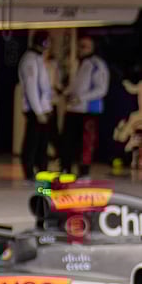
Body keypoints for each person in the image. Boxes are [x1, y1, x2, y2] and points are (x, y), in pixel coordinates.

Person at [62, 35, 110, 178]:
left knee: (86, 143)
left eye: (85, 46)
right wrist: (65, 93)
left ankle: (84, 171)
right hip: (72, 109)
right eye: (80, 46)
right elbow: (75, 84)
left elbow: (101, 89)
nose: (81, 49)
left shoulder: (98, 65)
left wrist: (81, 98)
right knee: (68, 141)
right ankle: (66, 168)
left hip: (89, 110)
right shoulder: (77, 63)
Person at [17, 32, 54, 182]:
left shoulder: (39, 59)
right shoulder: (30, 60)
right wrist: (38, 111)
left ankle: (41, 169)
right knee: (32, 142)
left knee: (42, 142)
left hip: (44, 108)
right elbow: (31, 87)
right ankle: (29, 171)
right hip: (35, 109)